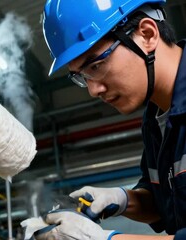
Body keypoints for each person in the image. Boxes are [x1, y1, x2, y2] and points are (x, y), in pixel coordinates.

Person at [38, 0, 186, 239]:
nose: (93, 90)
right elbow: (167, 204)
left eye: (96, 66)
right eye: (82, 77)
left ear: (147, 35)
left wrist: (105, 239)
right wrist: (123, 199)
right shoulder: (155, 120)